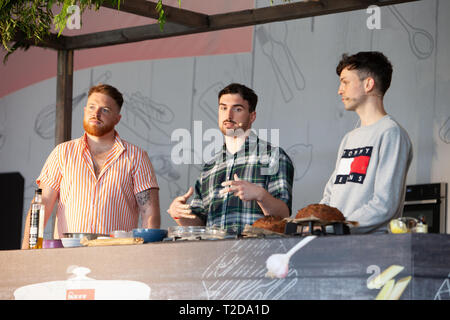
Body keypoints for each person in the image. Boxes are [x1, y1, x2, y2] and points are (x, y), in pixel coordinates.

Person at [21, 84, 160, 248]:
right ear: (85, 110)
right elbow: (41, 204)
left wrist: (145, 259)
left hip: (118, 258)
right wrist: (27, 251)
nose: (96, 113)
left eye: (105, 110)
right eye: (92, 107)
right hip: (67, 258)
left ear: (117, 118)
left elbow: (149, 213)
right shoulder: (62, 153)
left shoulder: (136, 157)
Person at [167, 83, 294, 234]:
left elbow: (283, 215)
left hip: (257, 254)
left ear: (252, 116)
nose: (228, 116)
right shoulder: (209, 168)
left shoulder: (273, 156)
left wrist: (261, 195)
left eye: (237, 109)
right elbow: (200, 225)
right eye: (223, 108)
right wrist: (179, 215)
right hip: (214, 254)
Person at [320, 51, 413, 234]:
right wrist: (316, 223)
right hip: (336, 244)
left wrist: (339, 228)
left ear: (368, 84)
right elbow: (330, 194)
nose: (340, 90)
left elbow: (384, 204)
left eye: (345, 82)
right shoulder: (349, 138)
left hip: (370, 249)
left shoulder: (391, 133)